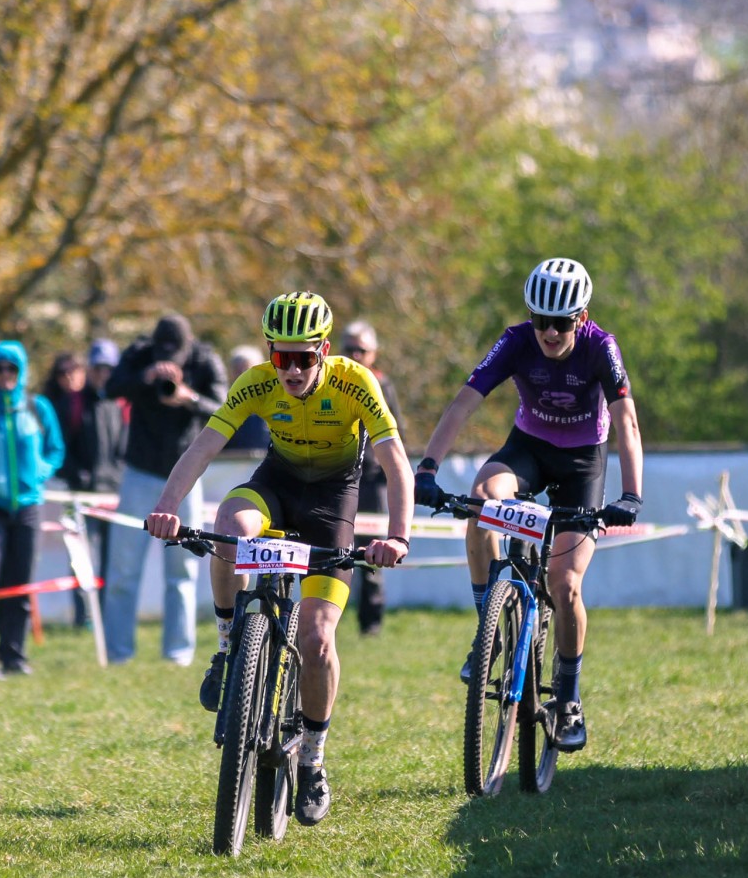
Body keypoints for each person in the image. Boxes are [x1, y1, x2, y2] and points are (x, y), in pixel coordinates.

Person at [146, 291, 413, 826]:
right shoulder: (257, 383)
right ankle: (229, 649)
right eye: (280, 356)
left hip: (334, 503)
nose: (290, 369)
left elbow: (395, 462)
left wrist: (398, 536)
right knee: (228, 529)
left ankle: (312, 759)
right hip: (277, 484)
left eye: (303, 358)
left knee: (317, 639)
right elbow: (202, 448)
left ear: (324, 351)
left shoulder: (356, 382)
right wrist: (167, 507)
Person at [414, 257, 643, 754]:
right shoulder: (516, 340)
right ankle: (489, 628)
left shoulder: (601, 347)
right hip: (528, 450)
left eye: (561, 322)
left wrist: (631, 494)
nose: (550, 333)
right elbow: (463, 403)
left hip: (583, 462)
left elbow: (626, 420)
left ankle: (569, 696)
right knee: (481, 502)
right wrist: (428, 468)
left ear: (581, 318)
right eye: (541, 320)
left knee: (565, 582)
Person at [103, 313, 228, 665]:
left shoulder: (204, 359)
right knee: (123, 570)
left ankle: (178, 654)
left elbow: (226, 408)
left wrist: (189, 397)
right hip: (139, 473)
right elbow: (109, 388)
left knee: (183, 571)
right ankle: (118, 655)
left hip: (186, 477)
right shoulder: (140, 354)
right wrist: (144, 377)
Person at [0, 342, 65, 677]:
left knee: (20, 583)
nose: (5, 374)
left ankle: (13, 655)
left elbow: (56, 449)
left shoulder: (37, 407)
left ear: (21, 371)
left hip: (28, 506)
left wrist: (39, 472)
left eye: (12, 368)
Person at [340, 320, 406, 635]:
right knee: (332, 553)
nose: (355, 355)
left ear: (373, 353)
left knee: (372, 557)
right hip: (338, 478)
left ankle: (371, 623)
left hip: (372, 481)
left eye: (361, 349)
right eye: (349, 349)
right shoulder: (332, 381)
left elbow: (397, 434)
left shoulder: (383, 384)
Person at [59, 337, 129, 626]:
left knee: (112, 559)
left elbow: (126, 449)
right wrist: (78, 475)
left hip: (112, 495)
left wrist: (118, 477)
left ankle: (105, 615)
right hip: (80, 495)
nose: (103, 374)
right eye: (98, 367)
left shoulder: (121, 403)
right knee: (80, 558)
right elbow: (61, 449)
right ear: (89, 369)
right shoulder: (73, 403)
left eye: (108, 368)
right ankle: (83, 616)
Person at [224, 345, 270, 452]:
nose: (242, 376)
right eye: (237, 370)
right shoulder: (225, 408)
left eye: (247, 370)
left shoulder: (275, 404)